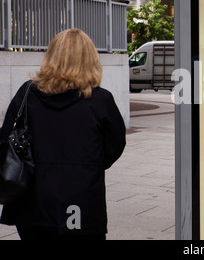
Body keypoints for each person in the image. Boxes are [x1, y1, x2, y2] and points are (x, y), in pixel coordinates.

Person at [0, 28, 126, 240]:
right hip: (79, 201)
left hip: (31, 202)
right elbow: (115, 146)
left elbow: (5, 137)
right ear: (90, 59)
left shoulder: (27, 93)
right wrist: (88, 163)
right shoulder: (100, 100)